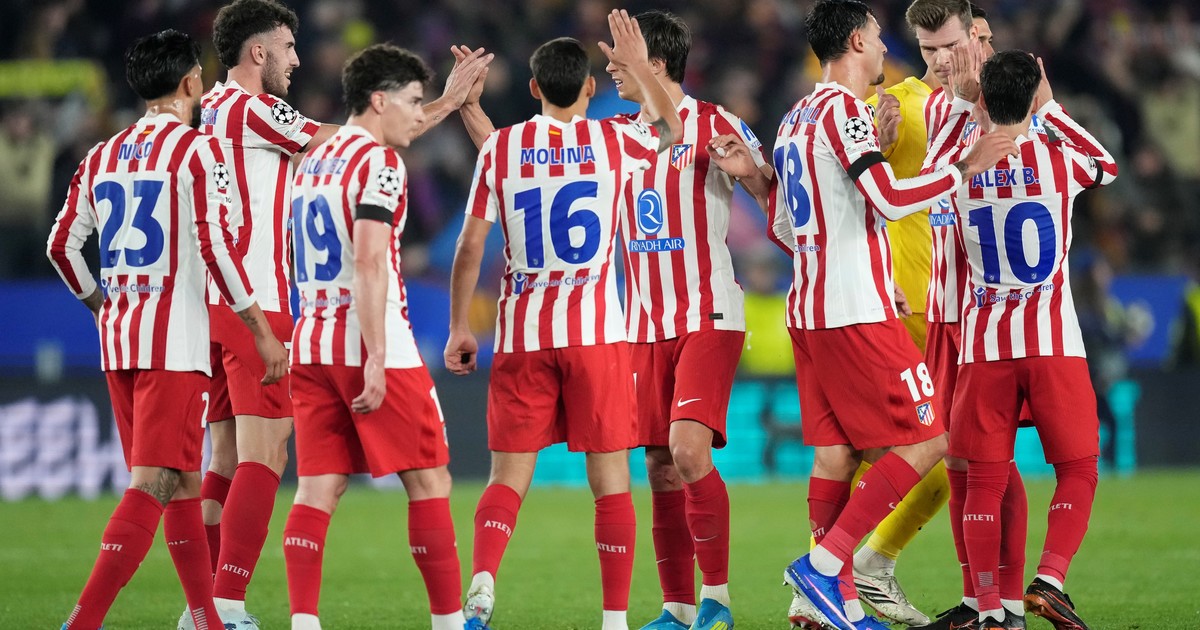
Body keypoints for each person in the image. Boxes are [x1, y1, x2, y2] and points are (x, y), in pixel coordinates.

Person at [708, 1, 1013, 628]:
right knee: (931, 440)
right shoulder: (845, 110)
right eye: (877, 38)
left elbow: (789, 230)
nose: (884, 50)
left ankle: (831, 603)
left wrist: (763, 186)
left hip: (810, 307)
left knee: (838, 456)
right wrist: (964, 168)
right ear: (854, 41)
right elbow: (890, 198)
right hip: (854, 310)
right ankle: (824, 568)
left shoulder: (795, 117)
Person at [195, 2, 492, 625]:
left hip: (257, 310)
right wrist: (445, 103)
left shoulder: (217, 109)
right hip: (269, 304)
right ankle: (224, 604)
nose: (296, 59)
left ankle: (217, 605)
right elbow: (359, 189)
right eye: (287, 47)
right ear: (257, 51)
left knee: (243, 464)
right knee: (271, 458)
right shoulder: (260, 111)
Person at [444, 11, 683, 630]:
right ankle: (613, 620)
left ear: (532, 88)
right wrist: (638, 65)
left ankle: (483, 583)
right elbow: (671, 128)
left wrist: (459, 326)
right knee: (610, 480)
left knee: (507, 477)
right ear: (590, 88)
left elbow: (470, 245)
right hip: (597, 337)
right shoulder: (613, 142)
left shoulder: (502, 148)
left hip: (523, 335)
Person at [46, 29, 287, 630]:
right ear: (189, 82)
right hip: (173, 346)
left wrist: (99, 304)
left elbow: (61, 246)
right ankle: (82, 621)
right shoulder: (197, 151)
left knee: (182, 481)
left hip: (119, 342)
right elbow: (215, 246)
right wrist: (258, 327)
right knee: (154, 483)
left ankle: (206, 618)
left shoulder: (101, 155)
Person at [281, 43, 479, 630]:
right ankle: (449, 623)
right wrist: (374, 356)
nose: (419, 115)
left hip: (311, 341)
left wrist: (448, 100)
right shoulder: (380, 164)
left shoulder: (312, 161)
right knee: (430, 479)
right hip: (372, 342)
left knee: (317, 489)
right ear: (378, 101)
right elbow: (369, 261)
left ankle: (303, 623)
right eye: (413, 102)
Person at [924, 50, 1116, 629]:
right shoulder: (1060, 162)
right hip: (1053, 341)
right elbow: (1105, 163)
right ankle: (1050, 580)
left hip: (984, 345)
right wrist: (1049, 105)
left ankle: (989, 610)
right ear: (1034, 95)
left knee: (982, 483)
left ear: (985, 97)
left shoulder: (961, 169)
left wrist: (964, 105)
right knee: (1078, 468)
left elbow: (926, 179)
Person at [603, 10, 771, 630]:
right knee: (658, 464)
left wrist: (754, 176)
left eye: (620, 59)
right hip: (643, 323)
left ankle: (717, 600)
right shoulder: (616, 135)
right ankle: (676, 607)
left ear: (655, 63)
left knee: (688, 450)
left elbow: (778, 205)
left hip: (708, 311)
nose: (611, 70)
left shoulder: (716, 123)